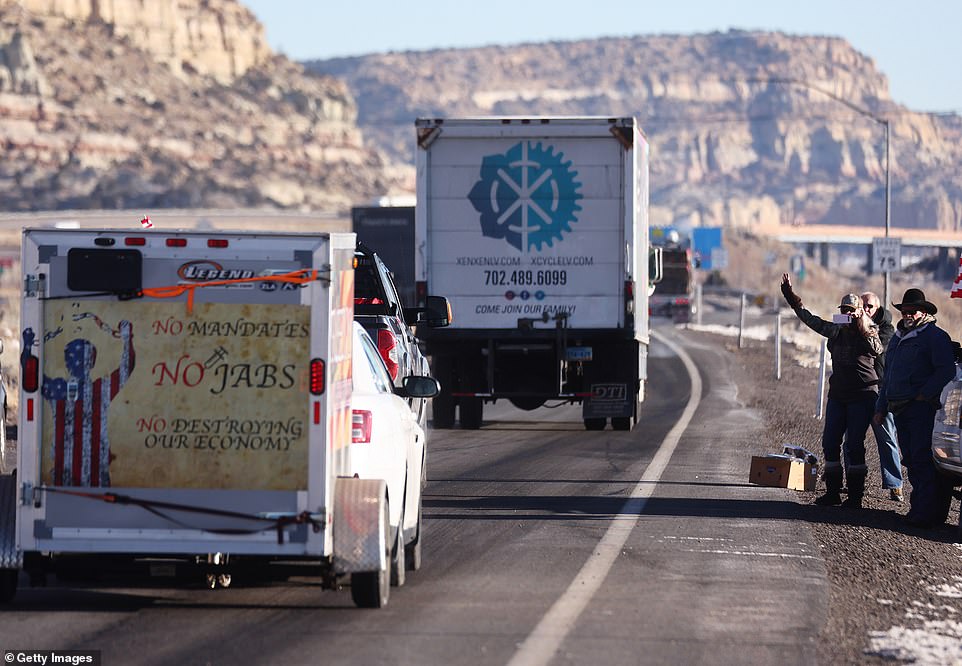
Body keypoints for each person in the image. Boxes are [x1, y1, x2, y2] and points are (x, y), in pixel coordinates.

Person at [781, 273, 883, 507]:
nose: (846, 314)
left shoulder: (869, 331)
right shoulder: (836, 331)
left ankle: (856, 496)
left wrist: (862, 323)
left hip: (863, 395)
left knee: (855, 443)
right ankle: (833, 492)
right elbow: (808, 318)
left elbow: (878, 349)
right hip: (838, 394)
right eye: (844, 310)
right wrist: (790, 296)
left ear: (859, 311)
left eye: (851, 310)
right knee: (830, 442)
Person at [874, 288, 956, 528]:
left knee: (921, 459)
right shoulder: (899, 337)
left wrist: (924, 394)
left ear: (924, 312)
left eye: (913, 311)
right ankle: (918, 508)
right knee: (910, 459)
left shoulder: (934, 336)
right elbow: (888, 375)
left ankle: (925, 512)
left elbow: (946, 370)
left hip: (921, 410)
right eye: (905, 311)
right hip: (899, 409)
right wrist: (881, 407)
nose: (908, 314)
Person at [861, 291, 905, 502]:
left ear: (877, 308)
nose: (865, 309)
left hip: (880, 390)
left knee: (887, 438)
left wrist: (862, 326)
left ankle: (895, 484)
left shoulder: (887, 329)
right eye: (862, 306)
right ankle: (852, 482)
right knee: (851, 439)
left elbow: (877, 348)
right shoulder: (853, 324)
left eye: (869, 306)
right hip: (858, 390)